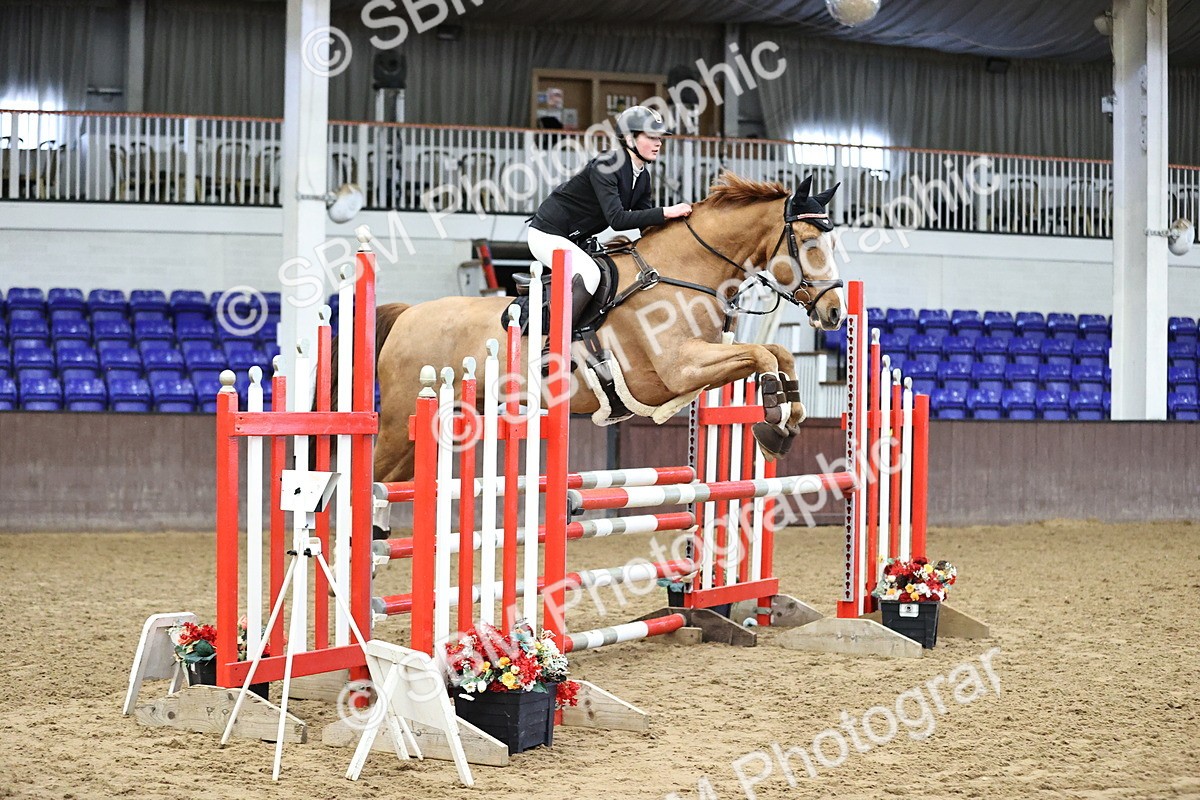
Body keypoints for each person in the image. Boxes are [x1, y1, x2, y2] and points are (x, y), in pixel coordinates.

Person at [527, 105, 693, 325]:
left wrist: (681, 234)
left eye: (660, 138)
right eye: (651, 137)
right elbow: (617, 219)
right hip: (547, 233)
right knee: (590, 274)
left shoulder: (642, 177)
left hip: (574, 239)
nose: (658, 143)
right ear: (629, 139)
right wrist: (667, 211)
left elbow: (645, 225)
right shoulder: (606, 165)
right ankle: (554, 340)